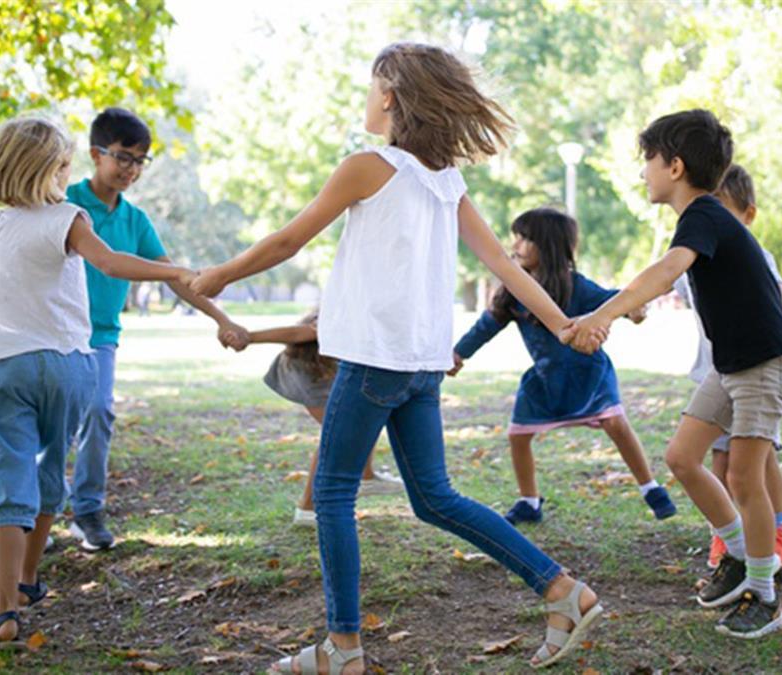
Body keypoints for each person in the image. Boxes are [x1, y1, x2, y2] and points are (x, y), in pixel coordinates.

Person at [191, 42, 606, 673]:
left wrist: (221, 274)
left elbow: (288, 239)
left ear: (389, 94)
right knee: (433, 497)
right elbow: (502, 266)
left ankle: (343, 648)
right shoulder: (446, 181)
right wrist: (563, 322)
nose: (365, 95)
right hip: (420, 366)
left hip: (377, 361)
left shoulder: (368, 165)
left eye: (370, 84)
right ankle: (562, 591)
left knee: (331, 495)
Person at [0, 116, 196, 648]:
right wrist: (176, 272)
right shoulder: (68, 216)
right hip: (69, 365)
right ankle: (31, 577)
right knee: (49, 467)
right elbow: (107, 262)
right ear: (54, 169)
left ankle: (4, 608)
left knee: (7, 478)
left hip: (7, 368)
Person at [565, 109, 782, 639]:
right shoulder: (703, 221)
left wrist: (602, 315)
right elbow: (674, 276)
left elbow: (669, 268)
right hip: (731, 363)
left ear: (674, 166)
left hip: (764, 363)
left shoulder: (705, 214)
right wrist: (628, 305)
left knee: (743, 476)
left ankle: (764, 593)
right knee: (681, 457)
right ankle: (740, 558)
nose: (643, 172)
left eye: (647, 160)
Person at [64, 108, 247, 551]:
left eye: (141, 161)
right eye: (124, 157)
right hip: (56, 335)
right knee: (53, 427)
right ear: (96, 154)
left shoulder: (135, 221)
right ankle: (37, 510)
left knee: (99, 413)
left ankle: (87, 509)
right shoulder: (64, 202)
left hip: (102, 336)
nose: (132, 169)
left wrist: (223, 319)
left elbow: (174, 277)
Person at [449, 207, 676, 525]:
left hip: (590, 375)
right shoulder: (515, 291)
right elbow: (487, 326)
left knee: (617, 425)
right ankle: (529, 501)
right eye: (516, 238)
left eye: (524, 238)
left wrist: (635, 308)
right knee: (518, 435)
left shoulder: (576, 286)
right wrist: (459, 353)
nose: (515, 246)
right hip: (545, 381)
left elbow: (615, 301)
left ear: (548, 246)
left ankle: (650, 487)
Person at [672, 165, 782, 571]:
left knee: (751, 468)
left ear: (747, 215)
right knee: (708, 462)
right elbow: (668, 280)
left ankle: (770, 549)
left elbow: (771, 308)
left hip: (757, 366)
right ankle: (733, 540)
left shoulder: (752, 253)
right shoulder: (691, 243)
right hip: (717, 368)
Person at [233, 308, 405, 527]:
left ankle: (366, 476)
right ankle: (307, 509)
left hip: (335, 364)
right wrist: (249, 337)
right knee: (338, 433)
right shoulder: (350, 303)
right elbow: (300, 333)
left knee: (365, 420)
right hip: (309, 367)